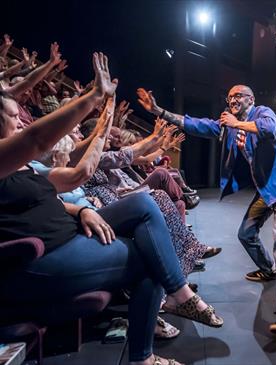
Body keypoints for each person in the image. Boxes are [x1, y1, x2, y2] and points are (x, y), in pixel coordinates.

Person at [0, 53, 223, 365]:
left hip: (71, 231)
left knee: (145, 203)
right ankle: (145, 352)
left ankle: (178, 295)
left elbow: (73, 177)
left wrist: (79, 211)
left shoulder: (27, 165)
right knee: (150, 259)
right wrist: (93, 98)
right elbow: (37, 138)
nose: (21, 120)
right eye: (14, 116)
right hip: (39, 258)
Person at [137, 84, 276, 334]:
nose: (232, 100)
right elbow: (194, 124)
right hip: (266, 190)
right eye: (229, 97)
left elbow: (269, 130)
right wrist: (159, 110)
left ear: (251, 98)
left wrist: (236, 124)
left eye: (238, 95)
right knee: (246, 234)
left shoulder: (263, 113)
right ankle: (269, 269)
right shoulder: (228, 124)